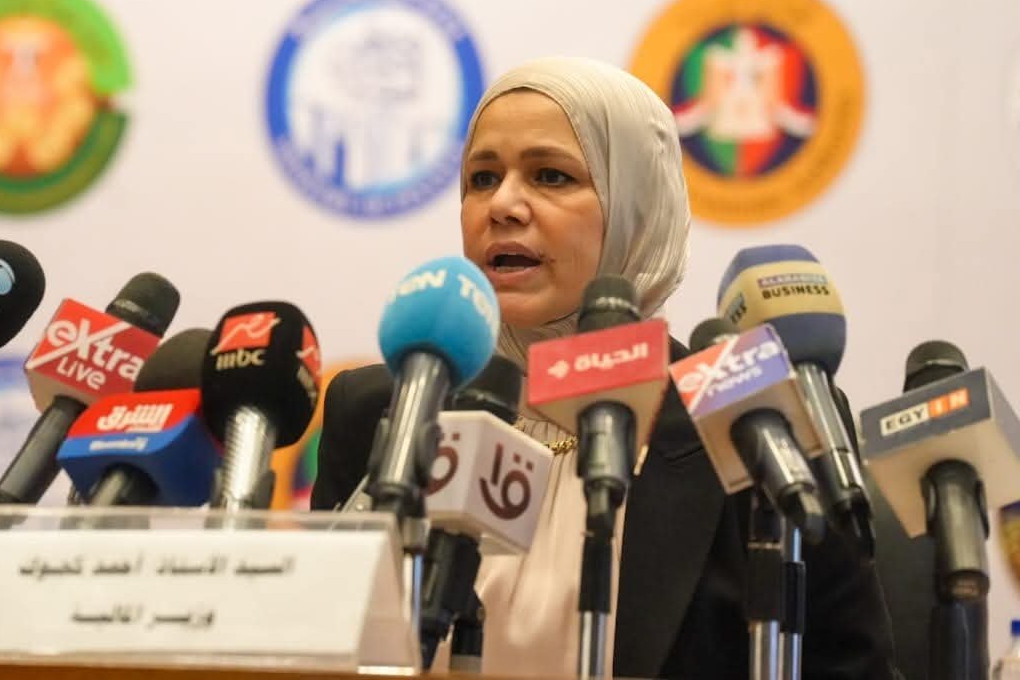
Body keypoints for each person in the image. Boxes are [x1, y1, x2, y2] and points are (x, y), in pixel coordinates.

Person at [310, 57, 899, 679]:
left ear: (638, 206)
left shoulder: (751, 420)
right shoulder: (384, 410)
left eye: (551, 175)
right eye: (482, 178)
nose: (502, 205)